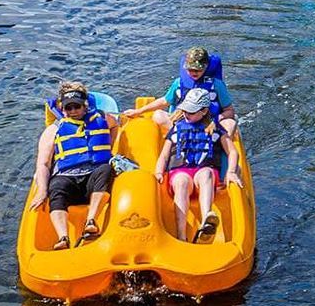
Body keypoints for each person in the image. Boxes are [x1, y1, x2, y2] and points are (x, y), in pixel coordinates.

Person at [28, 82, 135, 250]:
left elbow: (115, 126)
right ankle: (63, 237)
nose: (73, 111)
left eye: (76, 107)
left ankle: (91, 221)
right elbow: (43, 163)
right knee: (56, 186)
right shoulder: (53, 131)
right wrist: (42, 190)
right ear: (63, 109)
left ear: (85, 105)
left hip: (94, 176)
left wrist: (109, 147)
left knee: (106, 169)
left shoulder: (101, 118)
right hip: (68, 177)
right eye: (68, 108)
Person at [152, 88, 241, 243]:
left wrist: (231, 171)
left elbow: (232, 152)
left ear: (204, 111)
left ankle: (207, 220)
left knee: (206, 174)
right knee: (181, 182)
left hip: (203, 171)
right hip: (180, 171)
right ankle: (181, 234)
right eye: (185, 110)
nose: (187, 114)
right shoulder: (176, 128)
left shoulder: (215, 129)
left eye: (191, 112)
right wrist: (159, 172)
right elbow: (165, 154)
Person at [142, 47, 240, 142]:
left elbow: (229, 111)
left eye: (198, 69)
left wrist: (216, 121)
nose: (193, 72)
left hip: (208, 123)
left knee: (231, 123)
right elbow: (165, 101)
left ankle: (216, 144)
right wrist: (139, 111)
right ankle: (180, 136)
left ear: (206, 66)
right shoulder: (179, 83)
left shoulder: (217, 85)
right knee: (158, 115)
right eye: (190, 69)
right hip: (184, 121)